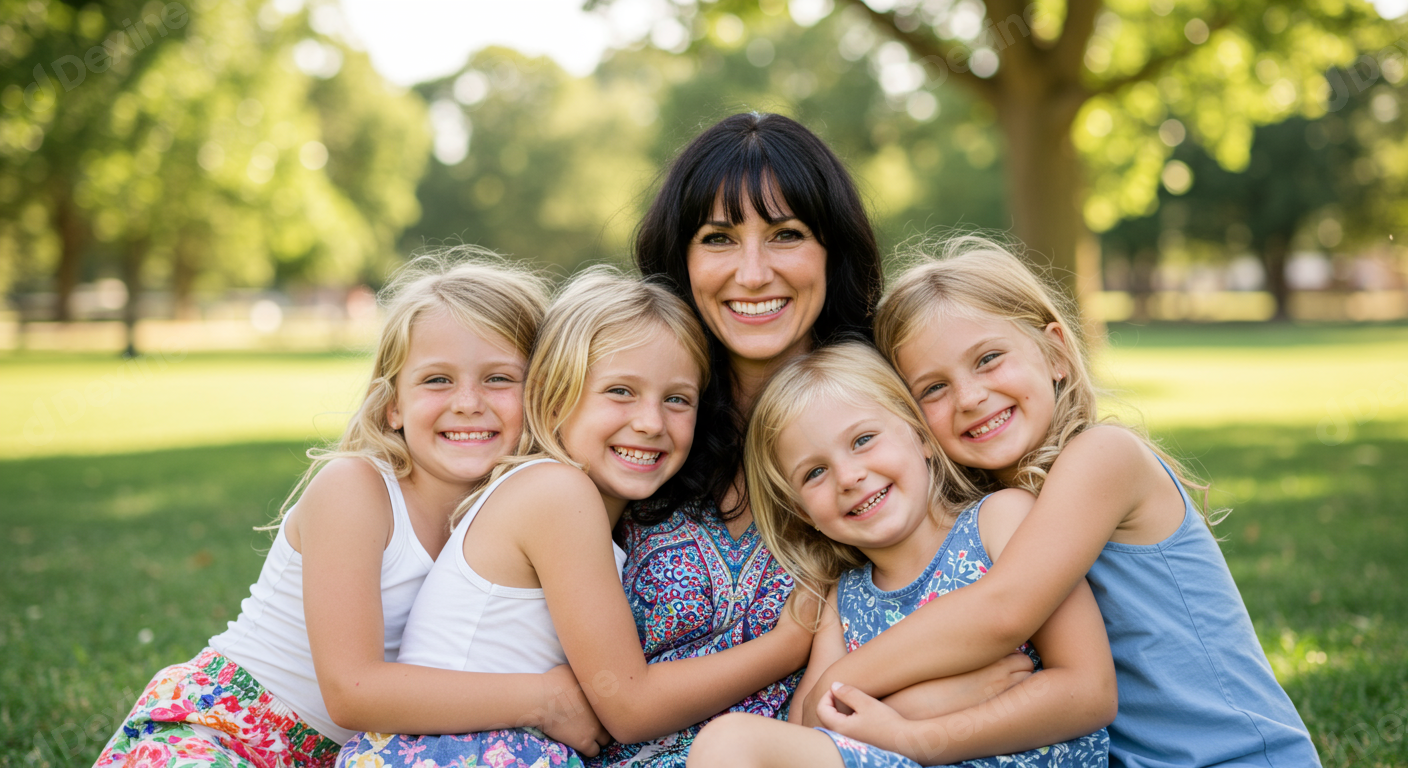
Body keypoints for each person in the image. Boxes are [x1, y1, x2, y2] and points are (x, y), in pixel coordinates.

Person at [797, 236, 1320, 767]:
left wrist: (842, 686)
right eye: (933, 389)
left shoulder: (1104, 456)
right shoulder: (988, 517)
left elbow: (1002, 613)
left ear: (1055, 353)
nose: (970, 397)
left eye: (989, 358)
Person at [95, 252, 568, 768]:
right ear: (393, 405)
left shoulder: (524, 508)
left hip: (361, 753)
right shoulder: (357, 488)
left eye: (499, 379)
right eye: (437, 380)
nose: (468, 402)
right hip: (222, 733)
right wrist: (544, 699)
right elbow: (353, 691)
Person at [338, 269, 815, 768]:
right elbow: (631, 707)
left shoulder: (575, 501)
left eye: (677, 399)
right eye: (620, 391)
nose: (651, 422)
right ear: (553, 395)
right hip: (459, 753)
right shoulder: (557, 495)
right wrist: (789, 643)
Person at [590, 111, 886, 767]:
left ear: (832, 251)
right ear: (681, 256)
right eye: (719, 238)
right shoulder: (628, 435)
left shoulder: (893, 427)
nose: (752, 274)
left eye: (786, 234)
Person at [689, 342, 1113, 768]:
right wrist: (928, 703)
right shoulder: (844, 600)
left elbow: (1088, 694)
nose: (849, 476)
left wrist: (920, 732)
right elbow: (810, 728)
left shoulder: (1000, 522)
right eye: (815, 472)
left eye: (864, 439)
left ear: (921, 436)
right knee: (727, 743)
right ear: (803, 512)